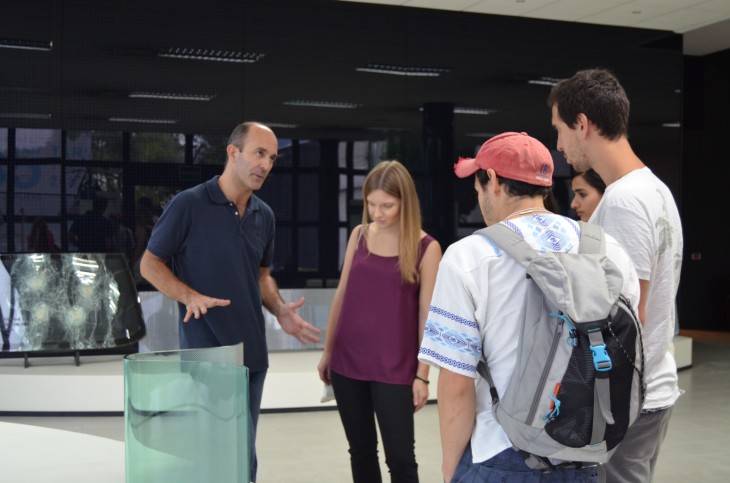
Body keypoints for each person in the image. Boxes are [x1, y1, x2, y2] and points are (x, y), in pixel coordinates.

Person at [417, 131, 640, 482]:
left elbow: (456, 382)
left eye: (477, 187)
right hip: (583, 449)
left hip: (500, 452)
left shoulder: (469, 257)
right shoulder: (606, 249)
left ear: (492, 181)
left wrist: (450, 469)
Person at [139, 121, 321, 482]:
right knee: (216, 457)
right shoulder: (189, 204)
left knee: (241, 457)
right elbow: (150, 264)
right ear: (233, 153)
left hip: (252, 354)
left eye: (272, 158)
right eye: (259, 153)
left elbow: (261, 276)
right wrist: (189, 295)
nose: (265, 165)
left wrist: (279, 309)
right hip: (207, 355)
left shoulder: (264, 216)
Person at [548, 68, 683, 483]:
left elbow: (626, 320)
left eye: (559, 130)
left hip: (626, 400)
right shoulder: (654, 189)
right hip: (650, 387)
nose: (559, 145)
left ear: (582, 124)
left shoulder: (623, 201)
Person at [318, 160, 442, 483]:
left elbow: (427, 317)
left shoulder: (427, 248)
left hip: (395, 369)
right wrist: (328, 352)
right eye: (371, 204)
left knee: (401, 459)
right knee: (360, 452)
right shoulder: (359, 235)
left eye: (387, 205)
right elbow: (342, 296)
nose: (377, 213)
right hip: (347, 362)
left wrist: (423, 376)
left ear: (405, 202)